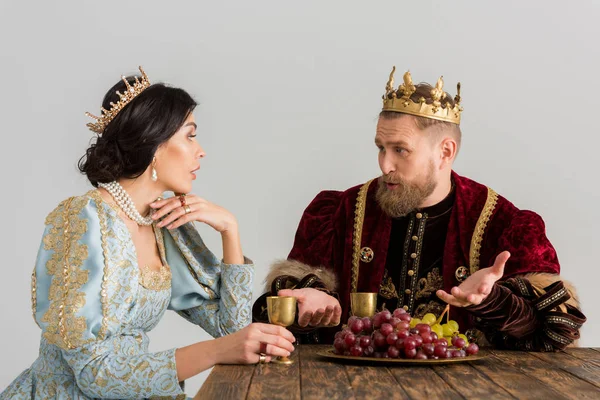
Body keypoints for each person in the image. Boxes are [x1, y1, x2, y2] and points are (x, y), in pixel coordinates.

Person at [1, 66, 294, 400]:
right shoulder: (83, 220)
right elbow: (94, 375)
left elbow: (235, 332)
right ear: (154, 143)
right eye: (190, 134)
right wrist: (213, 352)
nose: (201, 151)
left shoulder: (164, 222)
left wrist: (230, 229)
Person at [253, 67, 586, 351]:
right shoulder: (338, 212)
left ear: (445, 152)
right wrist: (305, 301)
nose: (385, 165)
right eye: (381, 148)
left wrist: (493, 299)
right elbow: (275, 319)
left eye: (401, 150)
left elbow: (554, 333)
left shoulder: (505, 224)